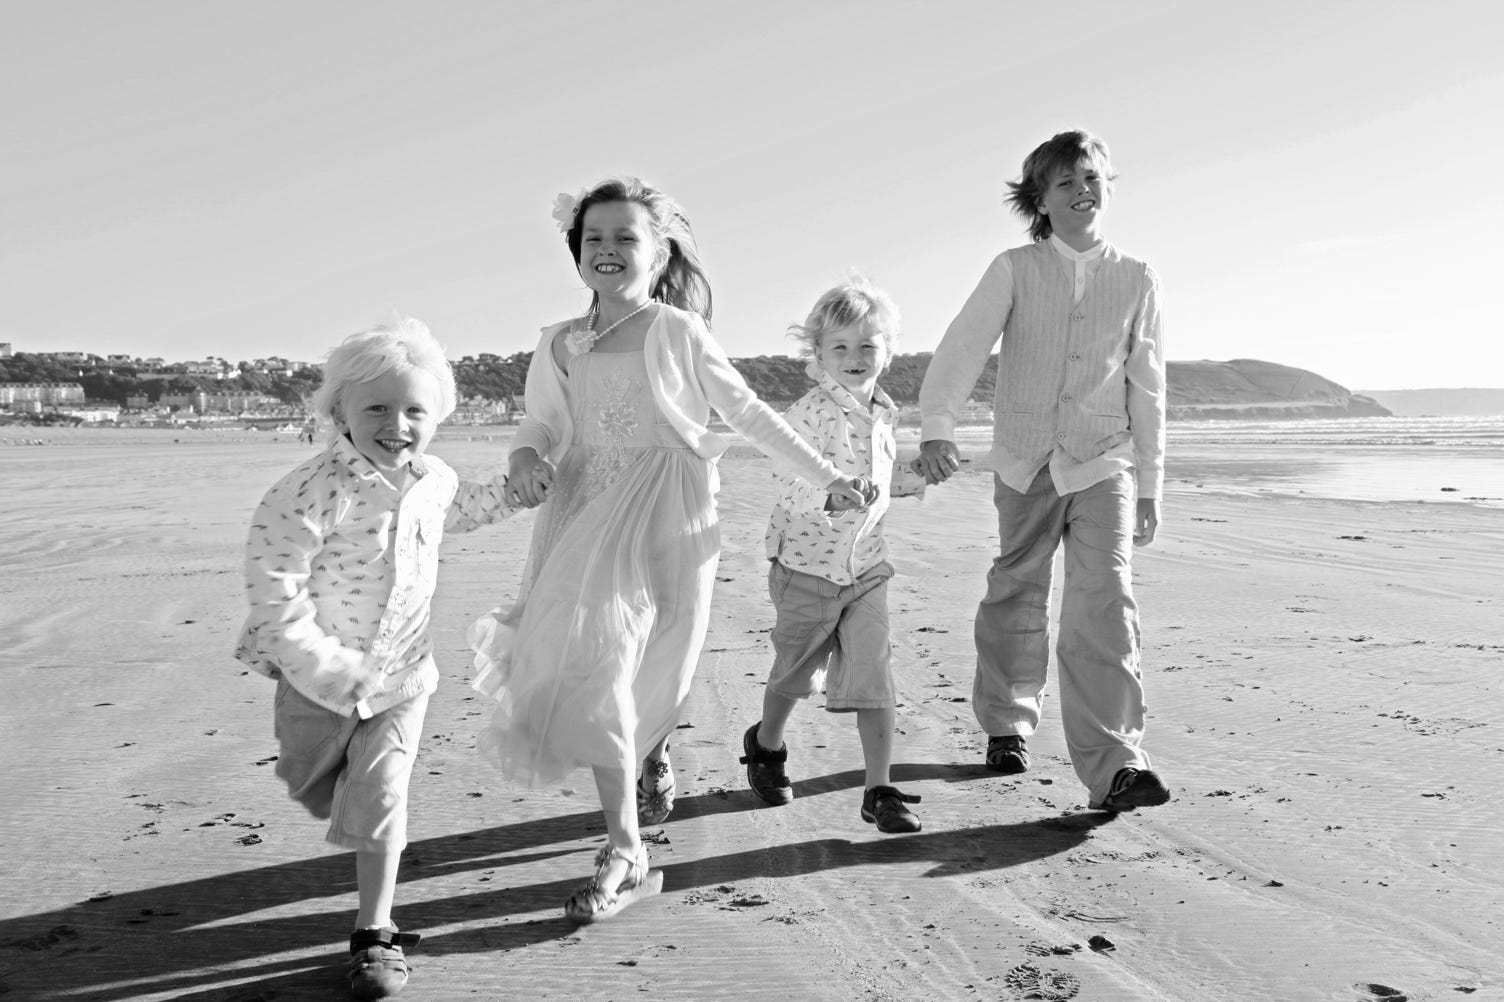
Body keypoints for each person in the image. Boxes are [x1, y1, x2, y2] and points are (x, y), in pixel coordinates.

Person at [471, 177, 871, 924]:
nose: (609, 250)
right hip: (585, 509)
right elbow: (540, 426)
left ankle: (648, 751)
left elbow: (745, 412)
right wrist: (525, 460)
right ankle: (625, 850)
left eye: (627, 237)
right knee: (593, 663)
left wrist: (828, 476)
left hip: (670, 511)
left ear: (659, 255)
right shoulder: (557, 342)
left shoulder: (677, 332)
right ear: (576, 253)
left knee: (651, 662)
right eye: (595, 238)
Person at [236, 317, 521, 999]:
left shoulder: (435, 478)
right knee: (312, 777)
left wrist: (519, 490)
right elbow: (274, 587)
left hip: (403, 673)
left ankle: (375, 931)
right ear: (339, 411)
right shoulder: (309, 491)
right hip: (316, 677)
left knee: (384, 793)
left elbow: (468, 509)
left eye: (415, 410)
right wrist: (322, 663)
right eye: (377, 408)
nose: (398, 424)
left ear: (438, 416)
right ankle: (342, 800)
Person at [914, 129, 1170, 814]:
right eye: (1066, 183)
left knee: (1104, 601)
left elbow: (1147, 387)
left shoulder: (1138, 277)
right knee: (1016, 590)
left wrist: (1150, 483)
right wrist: (937, 425)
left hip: (1103, 460)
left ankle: (1118, 761)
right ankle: (1007, 721)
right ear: (1042, 199)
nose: (1082, 191)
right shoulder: (1013, 269)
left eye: (1093, 178)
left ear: (1110, 186)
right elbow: (963, 346)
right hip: (1026, 461)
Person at [741, 276, 928, 833]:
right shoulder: (811, 412)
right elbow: (787, 480)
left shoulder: (885, 415)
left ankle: (879, 789)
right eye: (840, 347)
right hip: (806, 567)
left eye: (868, 346)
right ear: (817, 354)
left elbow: (881, 482)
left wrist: (916, 477)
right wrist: (830, 490)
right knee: (796, 674)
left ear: (888, 353)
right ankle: (767, 744)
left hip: (867, 567)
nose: (854, 357)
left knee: (875, 673)